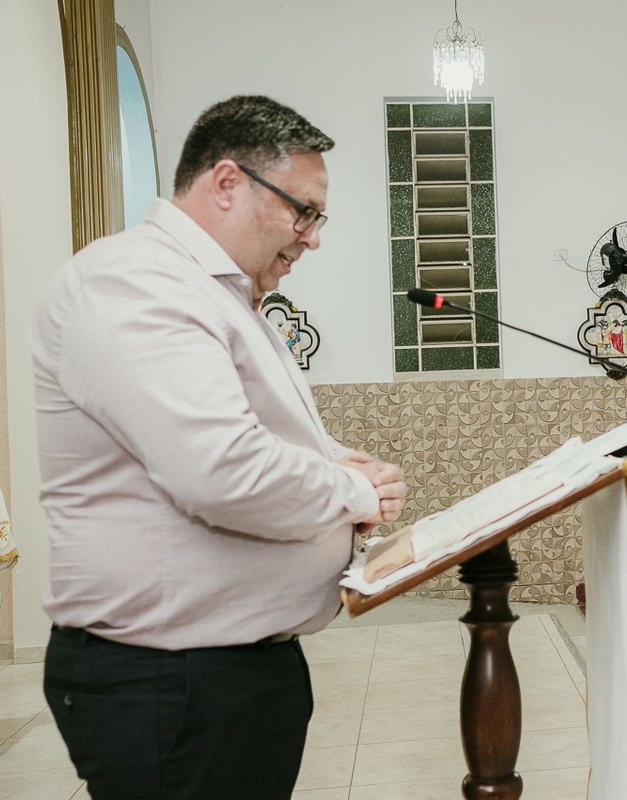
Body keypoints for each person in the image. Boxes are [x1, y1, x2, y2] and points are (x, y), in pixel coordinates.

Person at [32, 96, 409, 800]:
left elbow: (260, 435)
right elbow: (221, 469)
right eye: (305, 210)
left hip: (225, 670)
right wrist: (356, 492)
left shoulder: (218, 294)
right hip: (169, 680)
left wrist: (343, 464)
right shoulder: (133, 282)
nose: (312, 236)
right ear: (229, 182)